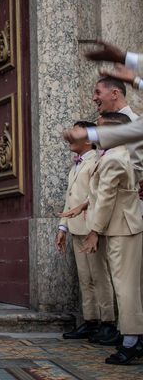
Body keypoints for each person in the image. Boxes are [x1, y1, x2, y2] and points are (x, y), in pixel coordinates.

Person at [70, 113, 143, 364]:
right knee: (128, 286)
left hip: (122, 228)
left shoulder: (113, 158)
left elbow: (107, 199)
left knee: (125, 288)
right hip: (123, 226)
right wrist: (82, 207)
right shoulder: (120, 155)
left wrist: (94, 231)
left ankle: (131, 343)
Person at [56, 121, 116, 343]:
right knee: (85, 278)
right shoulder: (75, 166)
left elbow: (99, 196)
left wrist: (96, 229)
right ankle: (90, 320)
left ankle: (108, 322)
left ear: (89, 140)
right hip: (76, 228)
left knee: (100, 276)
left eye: (76, 132)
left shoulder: (96, 162)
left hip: (92, 227)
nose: (70, 137)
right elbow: (70, 198)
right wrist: (62, 227)